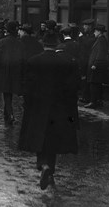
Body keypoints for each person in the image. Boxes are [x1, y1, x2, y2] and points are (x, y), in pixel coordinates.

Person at [18, 31, 80, 190]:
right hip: (58, 108)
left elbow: (27, 86)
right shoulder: (66, 62)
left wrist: (28, 103)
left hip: (38, 107)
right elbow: (72, 88)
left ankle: (42, 165)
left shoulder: (33, 61)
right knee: (53, 140)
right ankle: (50, 171)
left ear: (43, 44)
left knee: (39, 138)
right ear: (57, 44)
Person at [0, 20, 24, 125]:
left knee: (6, 94)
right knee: (9, 93)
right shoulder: (19, 43)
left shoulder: (2, 42)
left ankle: (10, 114)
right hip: (15, 71)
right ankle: (7, 114)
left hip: (4, 71)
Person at [85, 24, 108, 109]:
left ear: (99, 32)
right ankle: (98, 100)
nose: (94, 32)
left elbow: (101, 53)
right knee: (97, 84)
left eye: (95, 31)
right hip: (98, 65)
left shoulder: (101, 40)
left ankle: (93, 102)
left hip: (97, 66)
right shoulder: (100, 39)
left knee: (94, 83)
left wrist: (95, 64)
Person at [78, 19, 96, 105]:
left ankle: (87, 97)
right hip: (84, 60)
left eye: (85, 25)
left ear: (90, 26)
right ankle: (84, 96)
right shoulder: (86, 34)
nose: (83, 27)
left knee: (87, 79)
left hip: (89, 60)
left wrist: (81, 37)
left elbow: (88, 43)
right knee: (83, 78)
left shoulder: (93, 35)